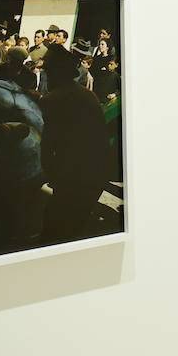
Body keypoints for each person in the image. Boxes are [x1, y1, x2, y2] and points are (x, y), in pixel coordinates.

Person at [39, 42, 114, 240]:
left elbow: (47, 145)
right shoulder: (88, 96)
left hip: (73, 175)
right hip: (96, 173)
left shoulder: (53, 99)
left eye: (47, 71)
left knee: (55, 227)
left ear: (55, 73)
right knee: (73, 228)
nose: (45, 76)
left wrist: (50, 172)